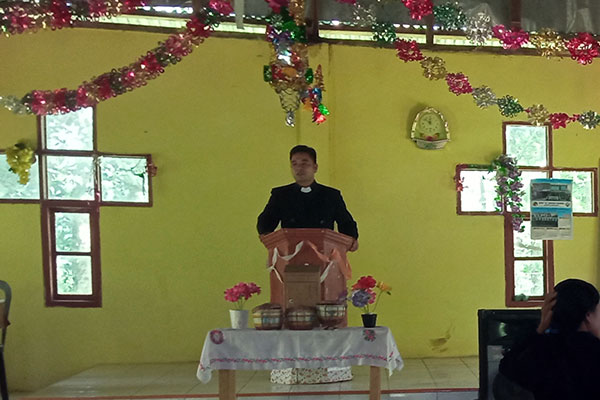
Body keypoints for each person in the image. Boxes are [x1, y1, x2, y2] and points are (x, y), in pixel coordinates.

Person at [498, 279, 600, 399]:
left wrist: (540, 328)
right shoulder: (594, 351)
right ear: (588, 315)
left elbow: (508, 368)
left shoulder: (541, 350)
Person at [257, 145, 359, 251]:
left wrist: (352, 239)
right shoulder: (281, 195)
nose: (299, 168)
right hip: (290, 255)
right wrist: (265, 234)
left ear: (315, 167)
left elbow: (346, 222)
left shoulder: (331, 195)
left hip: (324, 256)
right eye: (294, 164)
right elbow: (267, 220)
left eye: (304, 163)